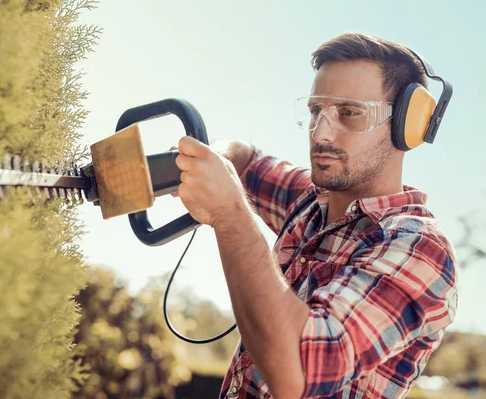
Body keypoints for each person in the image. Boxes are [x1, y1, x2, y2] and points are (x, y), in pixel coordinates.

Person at [173, 33, 458, 398]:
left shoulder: (419, 248)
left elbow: (298, 373)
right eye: (314, 112)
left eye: (349, 113)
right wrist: (208, 161)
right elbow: (244, 159)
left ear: (407, 125)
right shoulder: (311, 200)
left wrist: (230, 213)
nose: (321, 134)